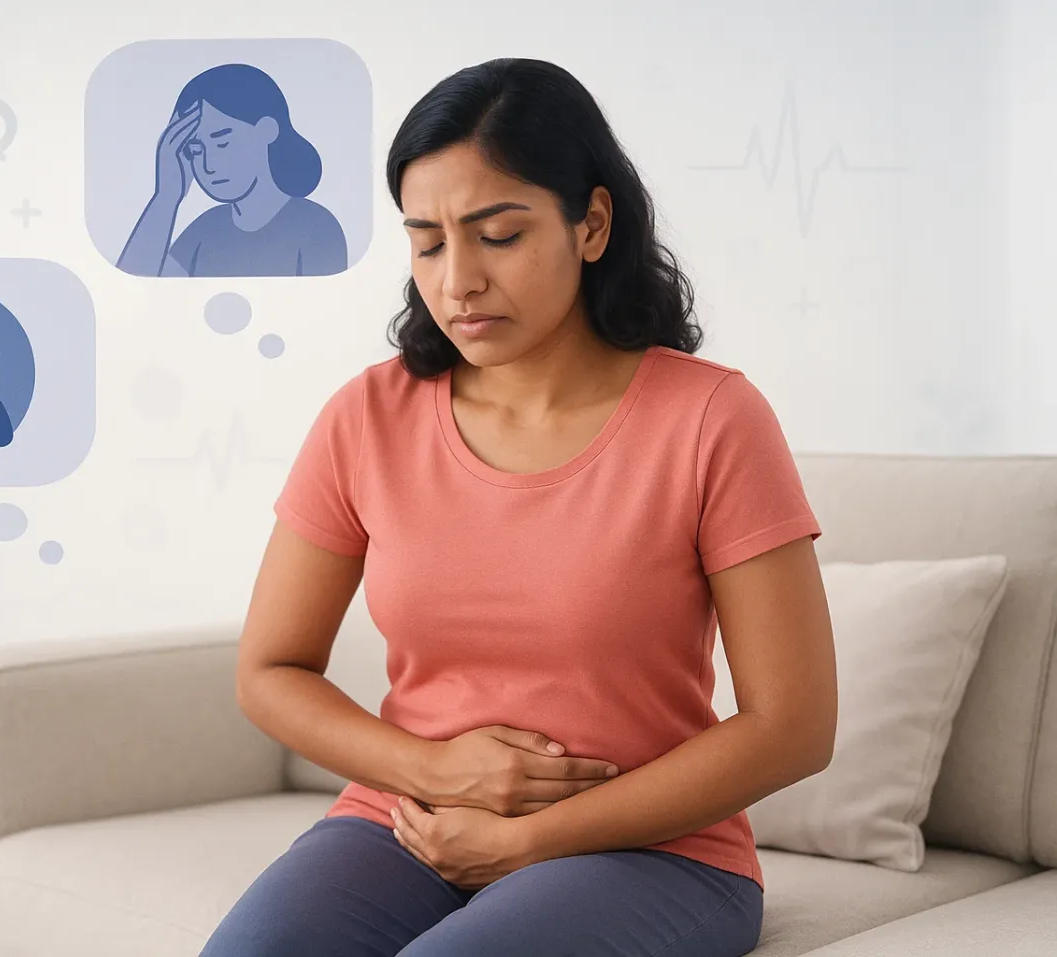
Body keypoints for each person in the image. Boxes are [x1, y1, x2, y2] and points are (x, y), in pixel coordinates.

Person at [201, 58, 837, 957]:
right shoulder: (367, 417)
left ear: (592, 223)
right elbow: (269, 669)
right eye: (427, 242)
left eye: (497, 234)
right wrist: (431, 768)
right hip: (411, 822)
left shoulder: (710, 418)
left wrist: (524, 837)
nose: (457, 280)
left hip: (655, 852)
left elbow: (794, 726)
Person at [116, 62, 348, 277]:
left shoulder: (317, 226)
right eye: (196, 150)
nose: (208, 165)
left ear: (267, 130)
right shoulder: (204, 230)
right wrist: (166, 196)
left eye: (222, 142)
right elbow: (131, 291)